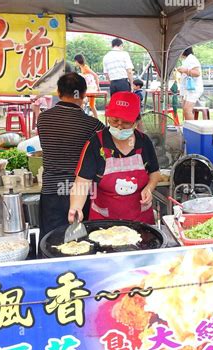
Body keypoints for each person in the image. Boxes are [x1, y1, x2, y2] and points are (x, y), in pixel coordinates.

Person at [70, 91, 160, 224]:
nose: (119, 126)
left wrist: (149, 188)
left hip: (141, 221)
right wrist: (75, 207)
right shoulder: (96, 143)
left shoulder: (144, 141)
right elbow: (82, 182)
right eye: (114, 120)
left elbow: (155, 172)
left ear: (136, 121)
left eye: (126, 122)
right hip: (104, 222)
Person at [37, 72, 105, 239]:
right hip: (83, 193)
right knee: (82, 241)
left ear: (59, 93)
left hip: (52, 191)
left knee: (51, 240)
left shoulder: (43, 119)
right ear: (83, 95)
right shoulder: (93, 125)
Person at [176, 47, 204, 121]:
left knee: (187, 110)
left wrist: (185, 70)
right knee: (185, 110)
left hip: (193, 88)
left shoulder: (191, 59)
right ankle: (188, 128)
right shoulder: (187, 60)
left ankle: (191, 130)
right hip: (188, 89)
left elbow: (197, 73)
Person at [74, 54, 100, 118]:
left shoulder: (85, 67)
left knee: (84, 102)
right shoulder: (82, 68)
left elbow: (95, 75)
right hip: (88, 88)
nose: (75, 63)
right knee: (91, 105)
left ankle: (84, 116)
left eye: (75, 61)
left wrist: (98, 86)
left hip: (91, 88)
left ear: (78, 61)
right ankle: (89, 117)